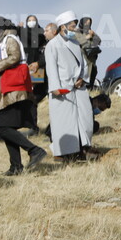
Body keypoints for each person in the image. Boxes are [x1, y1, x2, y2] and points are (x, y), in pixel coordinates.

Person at [0, 16, 47, 176]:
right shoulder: (2, 40)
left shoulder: (9, 39)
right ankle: (16, 166)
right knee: (6, 127)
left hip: (13, 89)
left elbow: (15, 57)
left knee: (1, 127)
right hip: (7, 88)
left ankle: (34, 150)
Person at [45, 11, 95, 162]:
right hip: (62, 90)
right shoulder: (52, 45)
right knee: (65, 123)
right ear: (62, 27)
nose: (75, 29)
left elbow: (84, 64)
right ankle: (64, 154)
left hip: (78, 88)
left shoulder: (75, 43)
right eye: (72, 27)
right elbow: (51, 68)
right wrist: (56, 88)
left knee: (84, 120)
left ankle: (82, 149)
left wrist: (82, 78)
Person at [75, 16, 102, 88]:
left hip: (92, 59)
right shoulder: (77, 31)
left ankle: (90, 90)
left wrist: (93, 35)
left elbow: (98, 41)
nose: (87, 24)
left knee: (93, 74)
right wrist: (87, 37)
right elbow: (78, 41)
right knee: (84, 76)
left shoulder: (91, 31)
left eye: (89, 23)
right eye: (86, 23)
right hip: (83, 58)